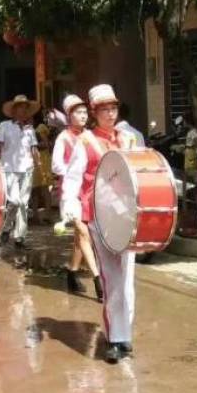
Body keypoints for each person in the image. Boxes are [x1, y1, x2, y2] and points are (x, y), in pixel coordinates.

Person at [62, 84, 137, 363]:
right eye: (104, 108)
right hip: (98, 215)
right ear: (94, 112)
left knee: (127, 278)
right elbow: (73, 177)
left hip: (127, 216)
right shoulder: (86, 142)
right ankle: (114, 337)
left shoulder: (129, 139)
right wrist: (70, 208)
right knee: (111, 277)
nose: (110, 113)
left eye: (113, 107)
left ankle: (124, 333)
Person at [52, 94, 103, 301]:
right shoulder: (63, 138)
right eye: (77, 112)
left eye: (84, 112)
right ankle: (98, 280)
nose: (82, 116)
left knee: (79, 238)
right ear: (69, 116)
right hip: (71, 192)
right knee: (83, 233)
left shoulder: (90, 136)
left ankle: (72, 272)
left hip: (90, 192)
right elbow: (56, 165)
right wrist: (74, 171)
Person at [0, 94, 40, 249]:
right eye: (19, 108)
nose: (22, 111)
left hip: (27, 168)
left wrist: (38, 162)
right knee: (14, 201)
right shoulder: (4, 126)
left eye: (25, 108)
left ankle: (19, 237)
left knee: (23, 204)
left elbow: (33, 148)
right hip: (8, 169)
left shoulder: (30, 130)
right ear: (13, 110)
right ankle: (7, 228)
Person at [32, 111, 54, 224]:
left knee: (44, 189)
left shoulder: (40, 127)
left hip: (42, 161)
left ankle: (48, 215)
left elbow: (45, 144)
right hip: (36, 161)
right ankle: (36, 216)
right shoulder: (31, 128)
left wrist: (32, 145)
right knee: (35, 190)